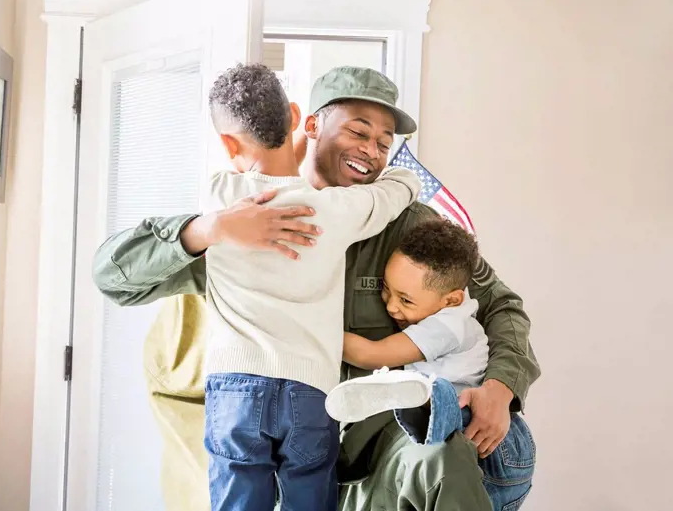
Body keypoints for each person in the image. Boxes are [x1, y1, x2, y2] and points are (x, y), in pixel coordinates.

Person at [93, 66, 541, 511]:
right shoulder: (239, 218)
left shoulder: (413, 224)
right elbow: (114, 278)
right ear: (308, 124)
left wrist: (501, 388)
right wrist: (208, 229)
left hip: (381, 450)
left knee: (439, 462)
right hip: (280, 445)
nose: (371, 151)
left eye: (384, 143)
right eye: (357, 132)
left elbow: (500, 305)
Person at [198, 63, 420, 511]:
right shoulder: (335, 211)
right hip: (310, 392)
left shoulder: (218, 200)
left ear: (226, 143)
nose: (373, 149)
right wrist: (402, 175)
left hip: (234, 390)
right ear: (299, 119)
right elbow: (399, 187)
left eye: (383, 141)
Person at [325, 220, 534, 510]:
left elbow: (373, 354)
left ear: (451, 299)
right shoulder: (438, 305)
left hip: (482, 437)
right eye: (386, 290)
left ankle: (415, 397)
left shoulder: (448, 326)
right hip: (463, 443)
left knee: (440, 404)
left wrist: (313, 330)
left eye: (406, 300)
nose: (391, 307)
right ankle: (408, 399)